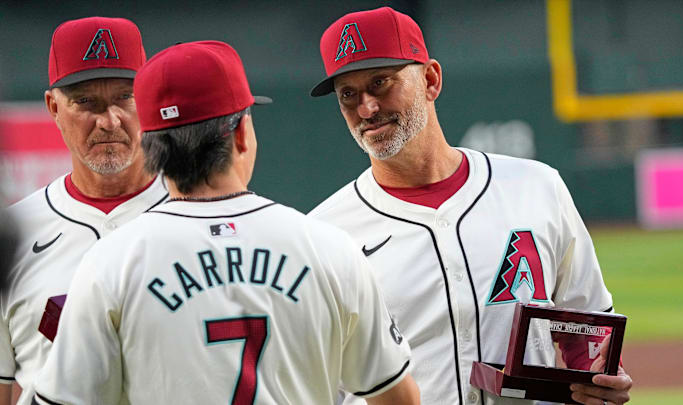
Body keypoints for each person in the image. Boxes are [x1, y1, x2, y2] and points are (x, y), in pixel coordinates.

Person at [32, 40, 419, 405]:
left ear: (150, 146)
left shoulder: (112, 261)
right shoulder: (327, 247)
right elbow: (399, 398)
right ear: (240, 134)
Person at [308, 7, 632, 405]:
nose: (367, 108)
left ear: (430, 79)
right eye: (348, 95)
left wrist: (600, 382)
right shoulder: (321, 234)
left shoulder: (536, 187)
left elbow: (586, 328)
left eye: (381, 82)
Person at [0, 17, 168, 405]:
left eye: (125, 97)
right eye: (85, 102)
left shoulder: (195, 217)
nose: (108, 121)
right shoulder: (16, 234)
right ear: (53, 107)